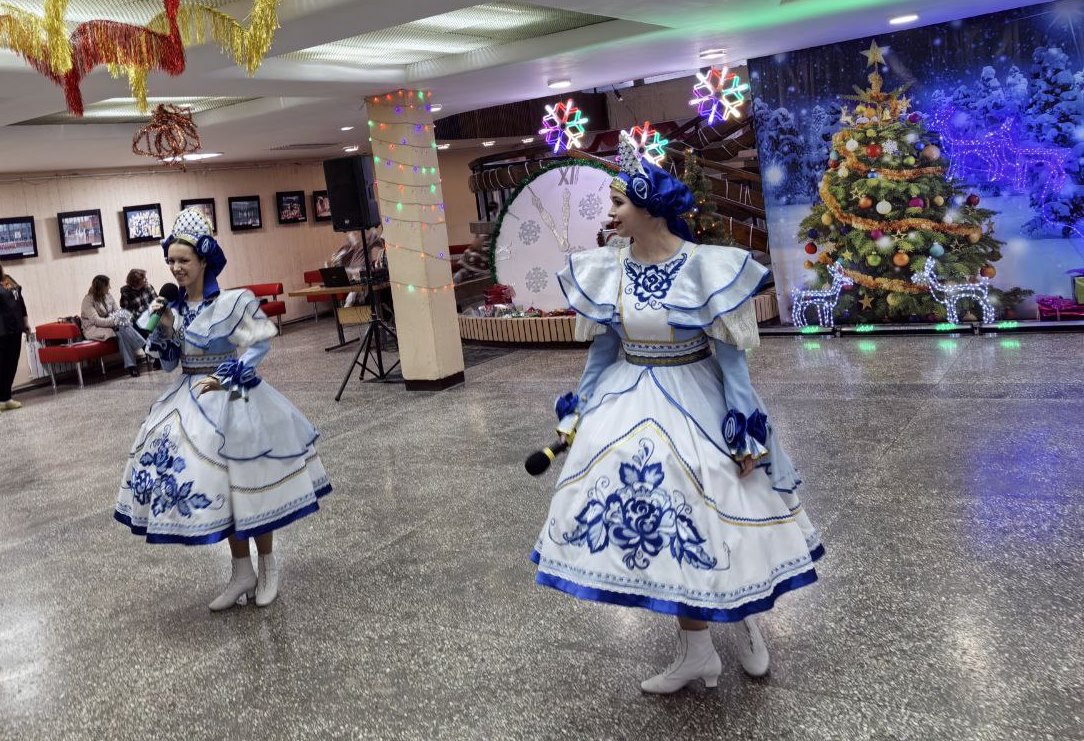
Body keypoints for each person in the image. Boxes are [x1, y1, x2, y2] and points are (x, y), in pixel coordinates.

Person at [531, 133, 823, 693]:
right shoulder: (606, 270)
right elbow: (601, 355)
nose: (610, 214)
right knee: (663, 524)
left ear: (648, 208)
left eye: (618, 203)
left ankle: (743, 618)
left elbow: (734, 366)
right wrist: (575, 415)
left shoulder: (706, 267)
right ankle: (696, 652)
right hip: (628, 399)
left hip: (697, 397)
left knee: (717, 511)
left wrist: (745, 437)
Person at [114, 208, 331, 610]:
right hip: (190, 396)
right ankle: (241, 570)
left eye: (184, 260)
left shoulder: (232, 303)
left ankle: (267, 565)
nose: (176, 268)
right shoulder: (172, 308)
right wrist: (163, 327)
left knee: (250, 483)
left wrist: (230, 375)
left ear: (204, 260)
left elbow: (261, 342)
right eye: (171, 261)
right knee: (219, 488)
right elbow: (167, 363)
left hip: (233, 396)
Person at [80, 275, 146, 377]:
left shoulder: (108, 296)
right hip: (94, 329)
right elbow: (97, 321)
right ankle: (145, 346)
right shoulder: (88, 300)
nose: (109, 288)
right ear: (101, 287)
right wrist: (115, 321)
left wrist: (121, 319)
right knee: (121, 328)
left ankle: (131, 366)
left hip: (110, 325)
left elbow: (117, 311)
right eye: (107, 285)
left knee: (122, 330)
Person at [0, 265, 29, 411]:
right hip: (1, 330)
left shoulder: (8, 280)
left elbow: (21, 302)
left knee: (11, 364)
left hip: (15, 329)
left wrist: (26, 322)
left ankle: (6, 397)